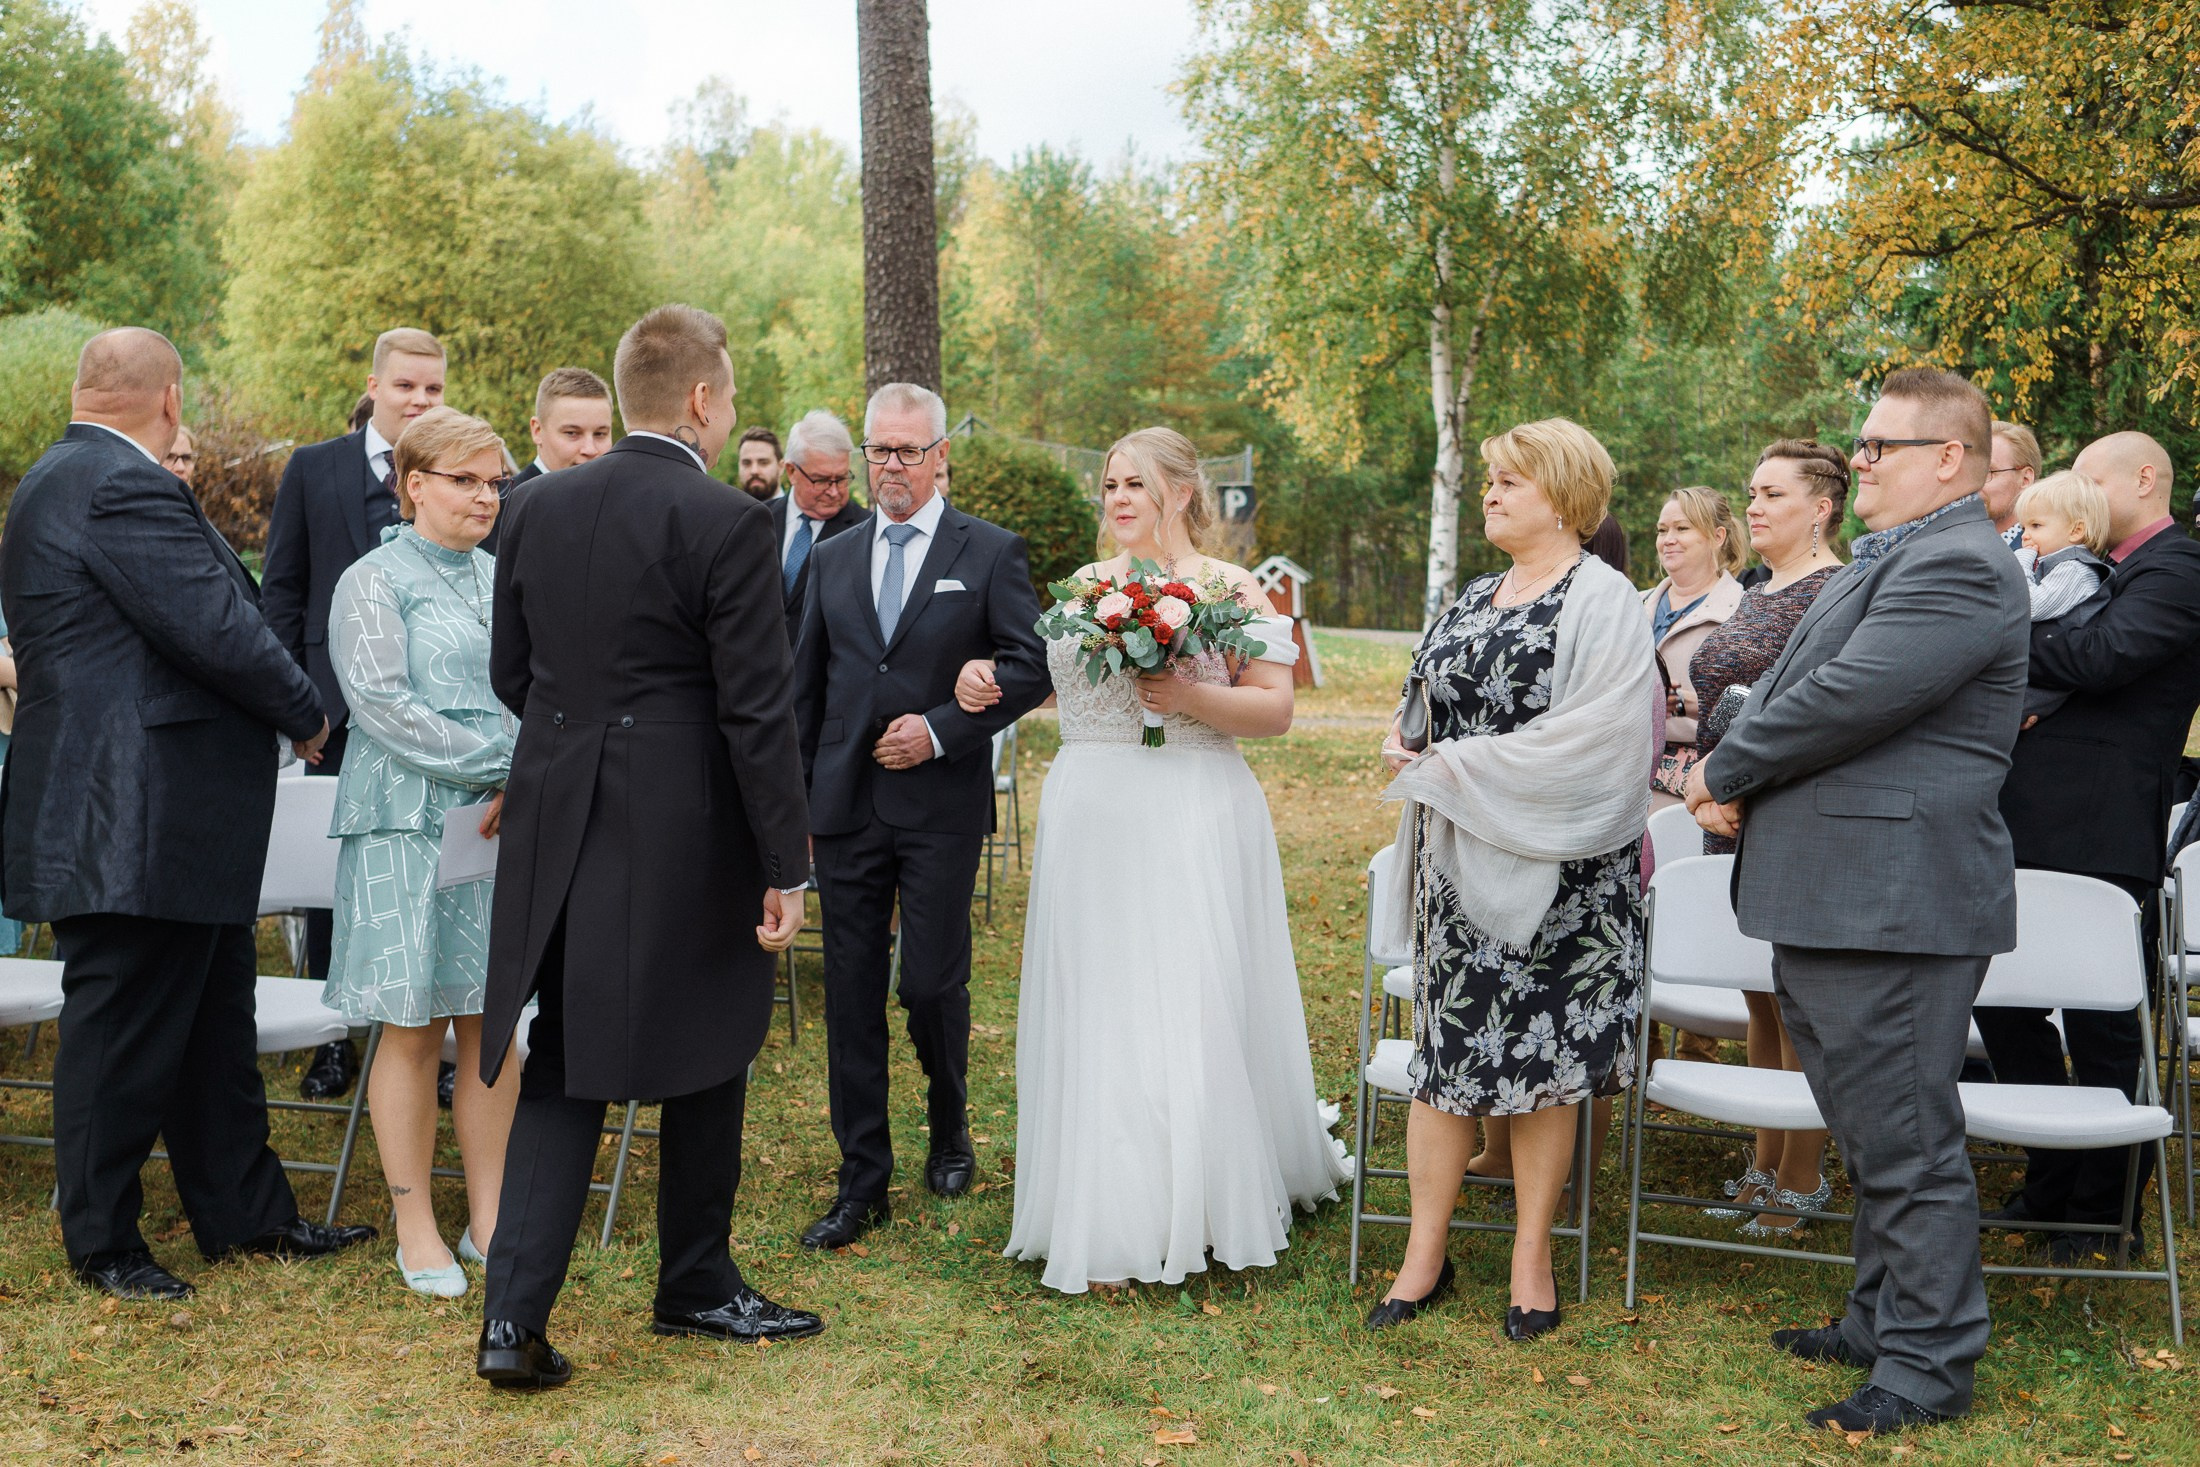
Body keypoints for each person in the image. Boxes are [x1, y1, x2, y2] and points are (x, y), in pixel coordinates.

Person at [474, 305, 819, 1389]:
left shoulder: (532, 508)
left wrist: (582, 735)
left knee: (565, 1060)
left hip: (558, 802)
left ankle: (510, 1323)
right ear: (706, 402)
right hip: (682, 818)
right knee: (715, 1036)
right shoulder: (728, 521)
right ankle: (697, 1282)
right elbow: (756, 713)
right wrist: (786, 863)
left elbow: (509, 672)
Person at [0, 327, 377, 1301]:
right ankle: (103, 1244)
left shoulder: (61, 474)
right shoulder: (117, 484)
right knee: (121, 1035)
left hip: (173, 815)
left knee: (215, 1032)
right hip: (130, 811)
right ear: (170, 396)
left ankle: (249, 1222)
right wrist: (307, 716)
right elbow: (216, 628)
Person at [1685, 367, 2028, 1433]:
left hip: (1891, 898)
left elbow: (1843, 700)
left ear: (1949, 462)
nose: (1860, 459)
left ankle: (1925, 1368)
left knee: (1907, 1141)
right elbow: (1796, 682)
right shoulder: (1901, 557)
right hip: (1843, 891)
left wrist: (1723, 769)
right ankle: (1877, 1322)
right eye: (1862, 442)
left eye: (1880, 445)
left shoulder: (1961, 567)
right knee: (1871, 1128)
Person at [951, 427, 1350, 1292]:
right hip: (1092, 810)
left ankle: (1198, 1198)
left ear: (1180, 490)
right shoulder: (1086, 589)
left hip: (1191, 806)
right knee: (1103, 999)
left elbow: (1274, 711)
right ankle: (1108, 1202)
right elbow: (1041, 681)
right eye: (1110, 483)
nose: (1119, 497)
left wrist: (1191, 695)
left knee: (1186, 993)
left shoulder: (1230, 587)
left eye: (1136, 482)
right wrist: (979, 679)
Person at [1368, 418, 1653, 1342]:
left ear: (1566, 496)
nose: (1489, 492)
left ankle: (1532, 1257)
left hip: (1567, 876)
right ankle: (1424, 1252)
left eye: (1510, 481)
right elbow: (1427, 698)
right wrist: (1409, 742)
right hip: (1459, 867)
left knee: (1550, 1064)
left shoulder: (1604, 598)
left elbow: (1604, 741)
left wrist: (1457, 766)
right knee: (1446, 1063)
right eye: (1488, 478)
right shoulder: (1476, 592)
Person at [790, 382, 1051, 1251]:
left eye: (908, 450)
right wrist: (791, 809)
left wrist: (941, 729)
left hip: (939, 805)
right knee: (852, 992)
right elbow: (807, 689)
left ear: (942, 455)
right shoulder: (835, 556)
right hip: (846, 806)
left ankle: (949, 1121)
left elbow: (1031, 665)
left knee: (929, 983)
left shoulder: (991, 552)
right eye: (879, 450)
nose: (891, 466)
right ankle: (862, 1177)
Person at [1980, 430, 2200, 1262]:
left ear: (2143, 479)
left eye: (2091, 477)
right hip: (2030, 821)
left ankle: (2105, 1213)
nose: (2077, 491)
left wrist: (1991, 637)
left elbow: (2103, 654)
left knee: (2105, 1024)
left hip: (2102, 828)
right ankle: (2050, 1183)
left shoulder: (2177, 569)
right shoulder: (2081, 567)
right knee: (2002, 1000)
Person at [321, 407, 519, 1299]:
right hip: (406, 821)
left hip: (501, 824)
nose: (486, 496)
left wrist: (529, 772)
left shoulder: (504, 574)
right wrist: (508, 760)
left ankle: (494, 1214)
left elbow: (540, 680)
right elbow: (383, 706)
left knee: (489, 1017)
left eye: (495, 482)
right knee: (412, 1020)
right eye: (467, 480)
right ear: (415, 485)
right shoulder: (372, 580)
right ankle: (414, 1223)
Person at [262, 327, 448, 1103]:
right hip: (331, 714)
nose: (420, 400)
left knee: (436, 872)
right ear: (373, 384)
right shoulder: (313, 468)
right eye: (407, 386)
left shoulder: (455, 469)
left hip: (434, 716)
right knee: (331, 877)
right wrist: (293, 706)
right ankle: (332, 1037)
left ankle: (435, 1045)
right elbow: (282, 591)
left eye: (434, 389)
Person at [1682, 442, 1848, 1235]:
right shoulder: (1754, 588)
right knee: (1758, 995)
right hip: (1728, 811)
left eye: (1772, 493)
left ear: (1820, 507)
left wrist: (1734, 777)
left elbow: (1813, 711)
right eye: (1750, 490)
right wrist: (1706, 788)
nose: (1753, 506)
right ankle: (1761, 1161)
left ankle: (1803, 1174)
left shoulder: (1837, 590)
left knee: (1799, 998)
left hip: (1787, 813)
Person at [1644, 486, 1745, 810]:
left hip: (1694, 792)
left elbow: (1754, 704)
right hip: (1623, 778)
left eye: (1682, 528)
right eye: (1662, 531)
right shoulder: (1630, 604)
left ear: (1717, 536)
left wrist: (1683, 704)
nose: (1668, 539)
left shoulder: (1743, 612)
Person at [2009, 470, 2112, 728]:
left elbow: (2030, 606)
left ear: (2076, 530)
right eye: (2024, 526)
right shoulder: (2056, 564)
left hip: (2038, 687)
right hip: (2031, 675)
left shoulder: (2075, 569)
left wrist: (2021, 560)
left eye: (2036, 526)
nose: (2025, 535)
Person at [477, 367, 614, 556]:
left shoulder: (621, 506)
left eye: (600, 434)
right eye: (572, 433)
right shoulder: (501, 507)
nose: (590, 449)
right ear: (537, 431)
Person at [769, 408, 867, 646]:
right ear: (791, 471)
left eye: (842, 479)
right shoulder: (757, 520)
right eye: (822, 480)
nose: (834, 491)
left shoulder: (866, 531)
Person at [1985, 421, 2043, 547]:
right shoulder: (1958, 542)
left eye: (1988, 472)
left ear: (2025, 479)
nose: (1974, 484)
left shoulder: (2042, 555)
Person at [735, 425, 782, 501]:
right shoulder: (727, 511)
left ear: (781, 467)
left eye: (763, 463)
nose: (754, 471)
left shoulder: (799, 511)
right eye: (746, 463)